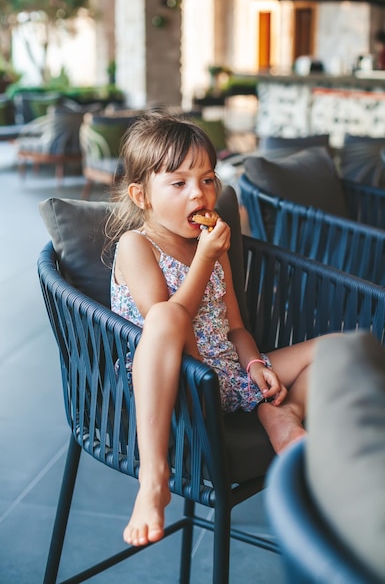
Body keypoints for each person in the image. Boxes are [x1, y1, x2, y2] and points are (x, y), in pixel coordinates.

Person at [104, 110, 322, 548]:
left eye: (207, 179)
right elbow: (171, 321)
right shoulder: (136, 246)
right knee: (165, 316)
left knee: (341, 349)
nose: (199, 194)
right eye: (179, 183)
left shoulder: (214, 247)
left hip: (226, 376)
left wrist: (255, 363)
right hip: (177, 383)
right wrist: (204, 259)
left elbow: (236, 328)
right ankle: (153, 477)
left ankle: (281, 411)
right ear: (141, 195)